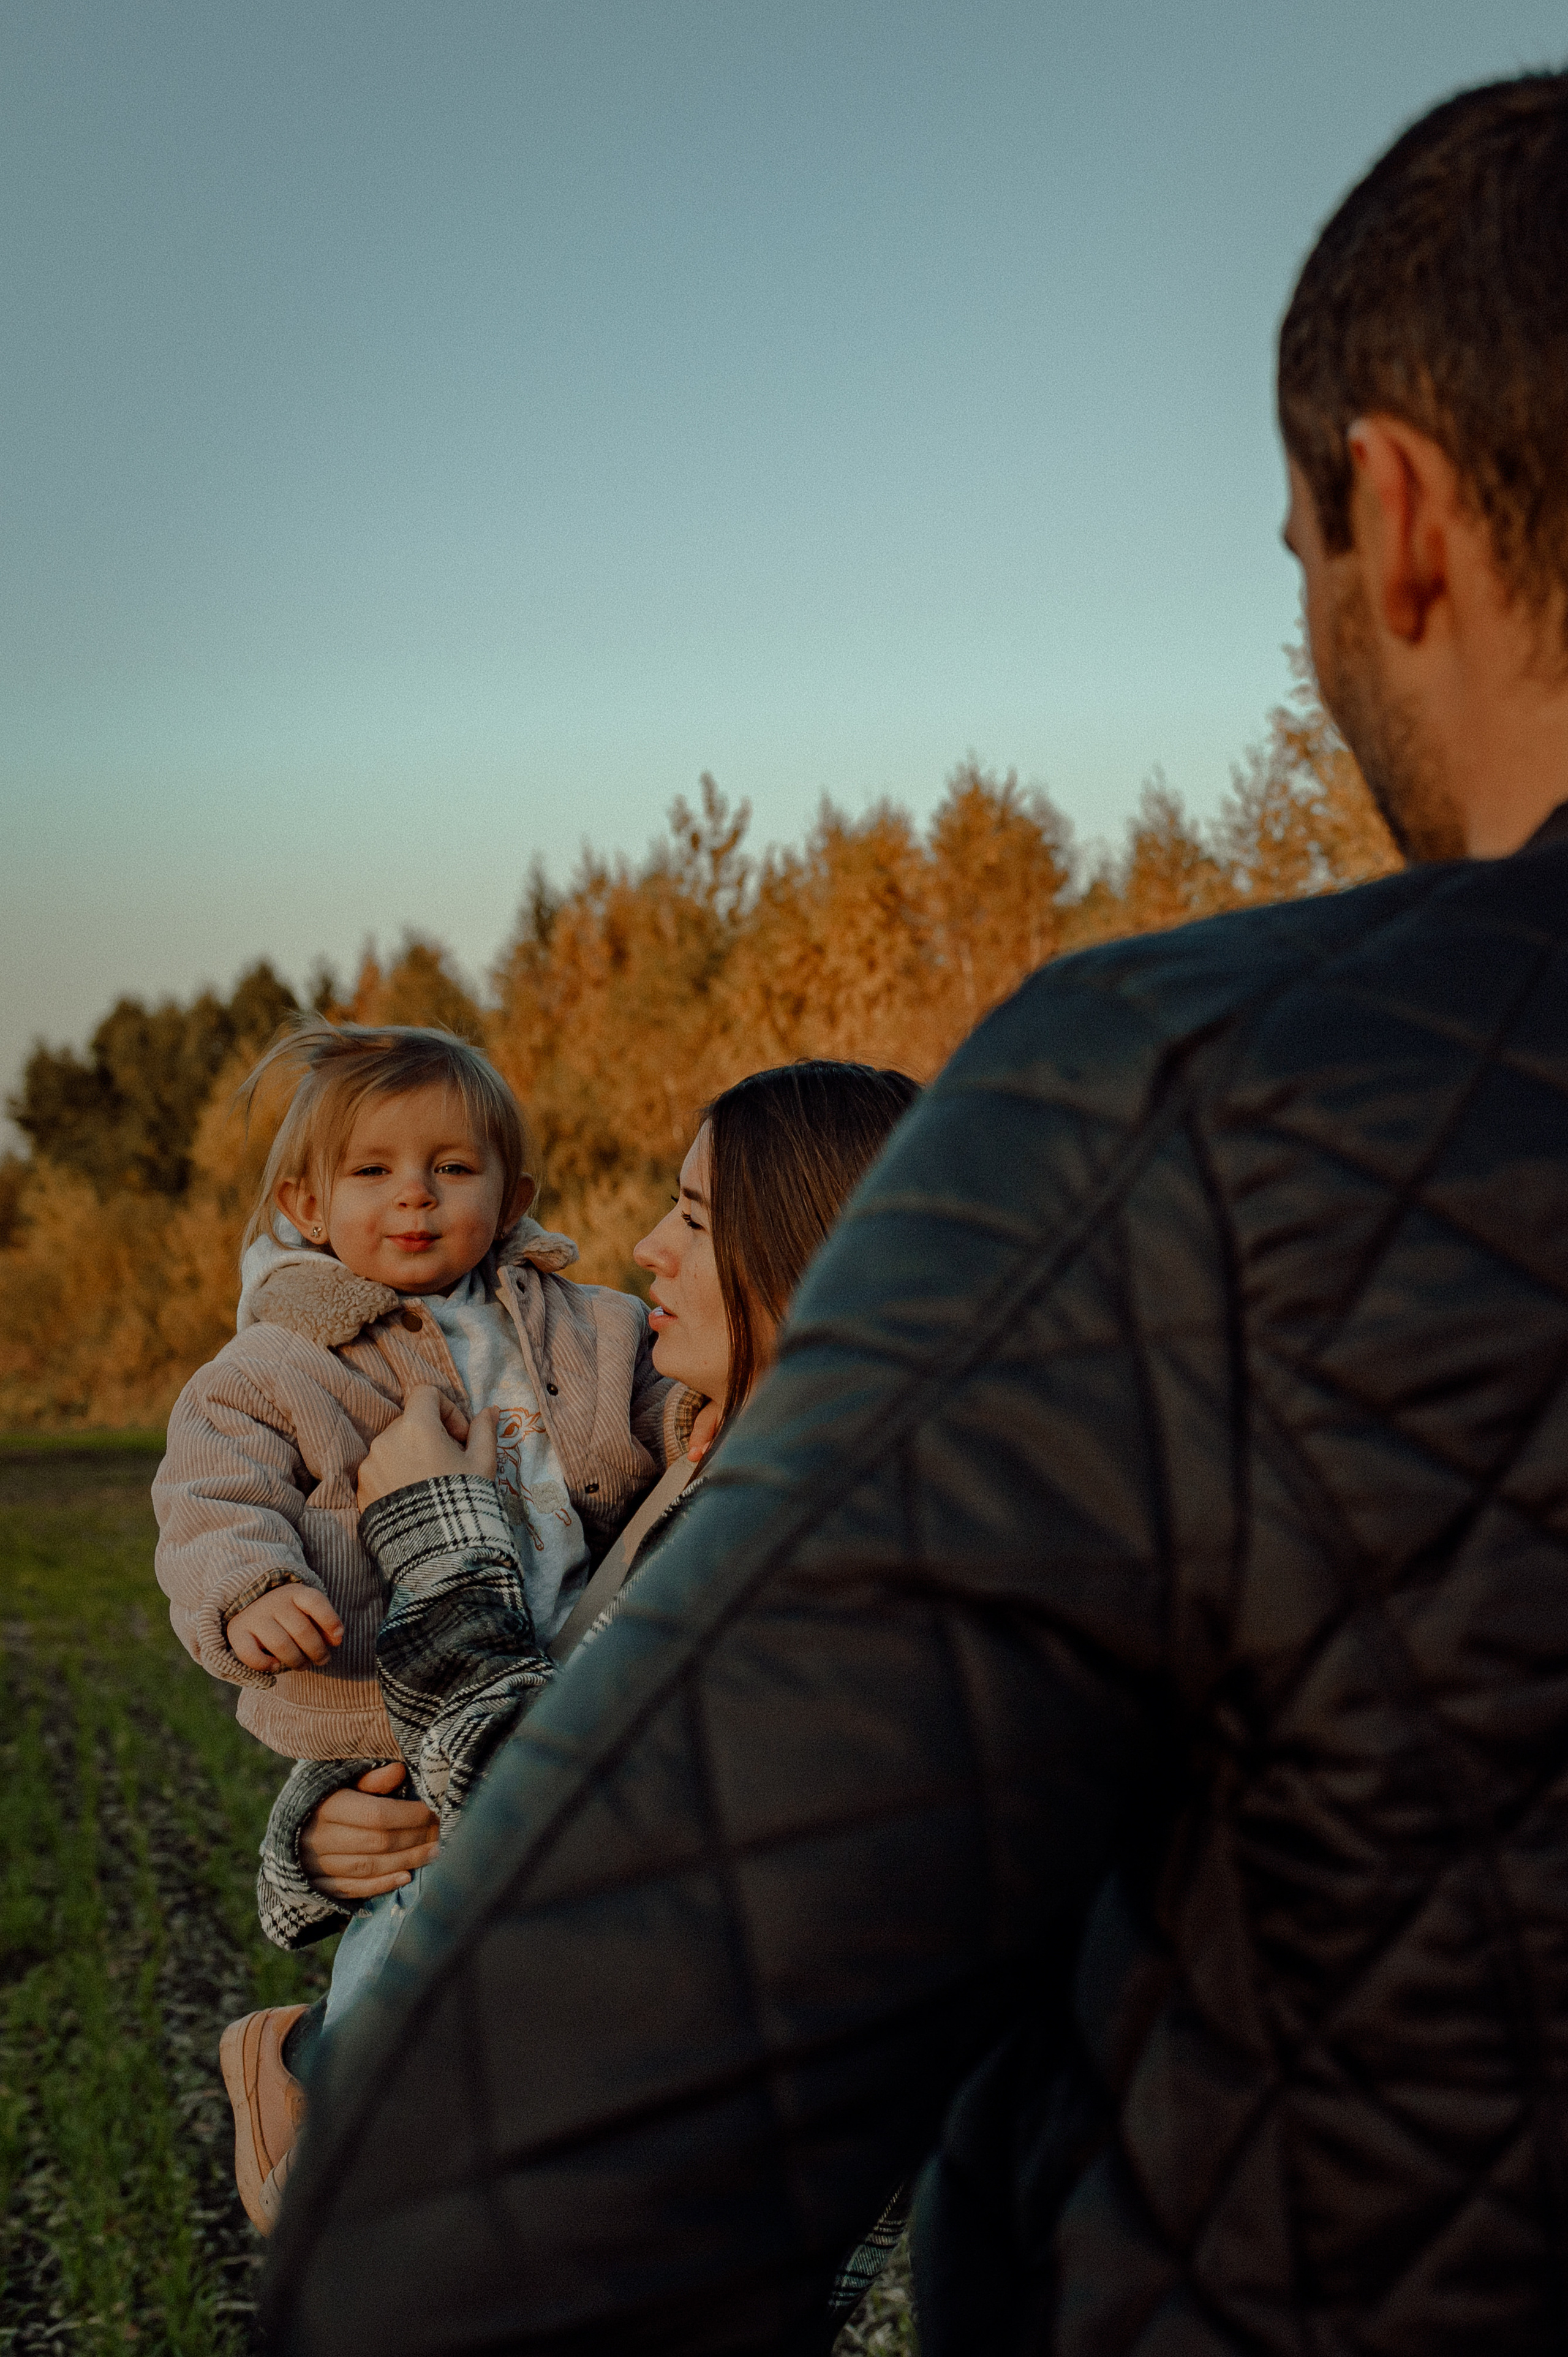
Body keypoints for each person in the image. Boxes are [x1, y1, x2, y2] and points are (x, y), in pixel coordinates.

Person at [262, 73, 1568, 2355]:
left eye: (1303, 570)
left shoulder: (1194, 1125)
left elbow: (508, 2201)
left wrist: (360, 2123)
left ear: (1402, 513)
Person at [152, 1016, 687, 2229]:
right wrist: (248, 1592)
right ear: (304, 1199)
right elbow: (208, 1498)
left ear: (511, 1196)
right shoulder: (270, 1366)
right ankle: (323, 2108)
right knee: (419, 1904)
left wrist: (692, 1422)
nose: (415, 1197)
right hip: (378, 1690)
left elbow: (655, 1397)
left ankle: (401, 2129)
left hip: (540, 1661)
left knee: (494, 1936)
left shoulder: (579, 1322)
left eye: (451, 1168)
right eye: (373, 1171)